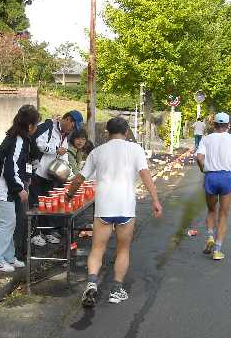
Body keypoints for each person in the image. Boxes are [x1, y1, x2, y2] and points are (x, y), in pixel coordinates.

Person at [66, 117, 162, 307]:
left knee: (97, 249)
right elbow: (145, 175)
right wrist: (155, 200)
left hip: (103, 207)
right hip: (125, 207)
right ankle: (116, 290)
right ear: (126, 132)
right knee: (123, 249)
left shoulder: (97, 151)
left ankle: (92, 284)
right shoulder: (136, 150)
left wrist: (69, 195)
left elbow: (79, 178)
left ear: (107, 133)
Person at [0, 105, 41, 272]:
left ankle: (8, 257)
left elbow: (20, 166)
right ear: (30, 126)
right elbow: (11, 168)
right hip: (0, 188)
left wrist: (25, 180)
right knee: (8, 222)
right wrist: (19, 188)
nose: (36, 128)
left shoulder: (20, 138)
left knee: (9, 222)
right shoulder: (17, 140)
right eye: (36, 125)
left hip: (3, 187)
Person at [196, 112, 231, 261]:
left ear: (214, 125)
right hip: (226, 177)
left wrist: (202, 169)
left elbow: (199, 157)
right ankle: (217, 250)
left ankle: (210, 236)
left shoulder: (206, 139)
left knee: (211, 210)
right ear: (228, 125)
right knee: (223, 214)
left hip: (211, 176)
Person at [29, 110, 84, 246]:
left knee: (48, 204)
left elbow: (64, 154)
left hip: (52, 174)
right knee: (36, 204)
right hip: (37, 172)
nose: (73, 129)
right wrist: (55, 149)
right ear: (68, 120)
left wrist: (69, 174)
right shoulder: (47, 127)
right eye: (73, 126)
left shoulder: (65, 135)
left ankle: (47, 232)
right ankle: (34, 233)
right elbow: (38, 143)